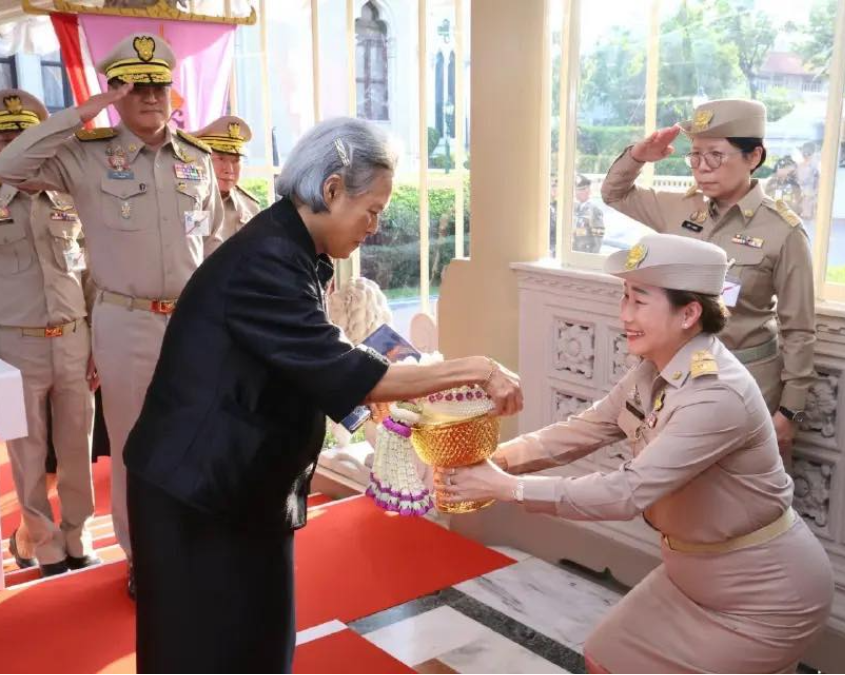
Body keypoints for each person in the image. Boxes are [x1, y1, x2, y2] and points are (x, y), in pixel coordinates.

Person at [122, 116, 524, 674]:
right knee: (204, 653)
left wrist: (368, 405)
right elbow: (345, 368)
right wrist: (477, 369)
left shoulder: (292, 247)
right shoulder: (267, 261)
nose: (376, 226)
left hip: (239, 485)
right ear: (332, 190)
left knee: (256, 646)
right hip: (201, 492)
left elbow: (299, 363)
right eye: (373, 210)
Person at [436, 233, 833, 674]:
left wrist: (507, 488)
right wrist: (497, 460)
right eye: (624, 297)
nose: (625, 315)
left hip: (766, 600)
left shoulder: (717, 395)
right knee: (606, 654)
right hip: (689, 578)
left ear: (689, 313)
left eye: (640, 302)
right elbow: (582, 430)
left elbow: (626, 492)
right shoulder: (652, 369)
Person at [0, 33, 225, 596]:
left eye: (159, 84)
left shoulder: (197, 160)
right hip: (126, 320)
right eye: (135, 84)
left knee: (197, 433)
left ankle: (193, 537)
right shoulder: (85, 156)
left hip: (194, 321)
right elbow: (11, 163)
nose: (151, 95)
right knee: (131, 444)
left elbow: (218, 245)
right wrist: (88, 109)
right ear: (117, 91)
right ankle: (141, 553)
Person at [601, 98, 815, 463]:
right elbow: (614, 193)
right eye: (695, 156)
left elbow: (799, 329)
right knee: (672, 487)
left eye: (715, 155)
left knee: (735, 494)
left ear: (753, 157)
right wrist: (639, 155)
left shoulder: (783, 231)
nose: (702, 168)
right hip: (673, 378)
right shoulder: (681, 208)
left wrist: (790, 412)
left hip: (744, 383)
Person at [0, 89, 99, 577]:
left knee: (78, 445)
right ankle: (44, 542)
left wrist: (97, 339)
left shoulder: (69, 197)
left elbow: (90, 275)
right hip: (13, 344)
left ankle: (78, 534)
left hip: (75, 338)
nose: (18, 143)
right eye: (7, 136)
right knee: (27, 452)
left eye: (26, 134)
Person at [191, 115, 261, 239]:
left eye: (235, 161)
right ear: (200, 161)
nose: (229, 170)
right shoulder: (192, 203)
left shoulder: (250, 206)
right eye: (220, 159)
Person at [573, 173, 604, 253]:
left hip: (586, 252)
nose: (577, 193)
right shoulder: (576, 208)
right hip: (574, 251)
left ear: (588, 191)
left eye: (581, 189)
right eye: (576, 189)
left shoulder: (594, 211)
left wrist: (593, 256)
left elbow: (598, 237)